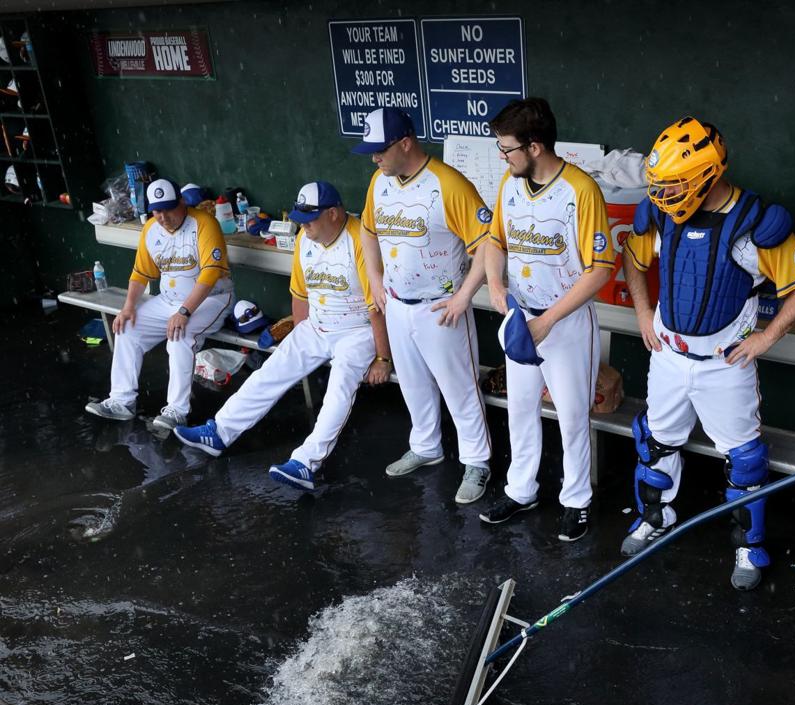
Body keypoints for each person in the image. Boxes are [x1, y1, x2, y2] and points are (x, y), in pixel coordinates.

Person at [620, 117, 795, 591]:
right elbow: (633, 258)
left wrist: (766, 338)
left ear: (708, 174)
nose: (665, 196)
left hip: (724, 362)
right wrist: (643, 312)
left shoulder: (754, 223)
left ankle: (748, 546)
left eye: (675, 185)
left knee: (744, 461)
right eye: (661, 185)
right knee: (654, 443)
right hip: (668, 355)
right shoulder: (660, 216)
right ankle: (656, 516)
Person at [174, 181, 392, 491]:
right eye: (301, 218)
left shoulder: (359, 238)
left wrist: (383, 357)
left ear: (333, 213)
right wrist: (300, 338)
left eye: (310, 218)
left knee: (338, 387)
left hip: (359, 330)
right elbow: (300, 295)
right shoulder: (306, 237)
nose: (303, 225)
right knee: (271, 372)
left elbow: (377, 309)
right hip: (317, 324)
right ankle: (220, 432)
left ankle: (306, 462)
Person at [478, 97, 614, 541]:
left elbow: (601, 269)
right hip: (522, 315)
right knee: (519, 409)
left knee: (573, 415)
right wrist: (496, 287)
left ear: (535, 146)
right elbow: (495, 240)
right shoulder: (510, 183)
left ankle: (576, 500)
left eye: (508, 149)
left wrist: (549, 320)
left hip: (567, 321)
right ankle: (521, 489)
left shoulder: (580, 190)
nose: (504, 157)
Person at [353, 107, 495, 505]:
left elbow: (487, 244)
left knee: (459, 388)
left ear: (405, 142)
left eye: (380, 150)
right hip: (398, 303)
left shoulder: (448, 184)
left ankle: (477, 461)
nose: (374, 157)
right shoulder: (378, 183)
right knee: (413, 383)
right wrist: (376, 280)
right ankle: (427, 446)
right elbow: (367, 230)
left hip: (440, 306)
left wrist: (465, 296)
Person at [84, 178, 234, 431]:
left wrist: (184, 312)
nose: (162, 216)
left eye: (168, 208)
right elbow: (140, 272)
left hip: (212, 299)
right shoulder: (151, 228)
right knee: (127, 328)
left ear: (182, 202)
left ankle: (177, 411)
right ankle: (122, 401)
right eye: (157, 210)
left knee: (180, 336)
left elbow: (210, 273)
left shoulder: (204, 223)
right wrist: (129, 306)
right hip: (167, 300)